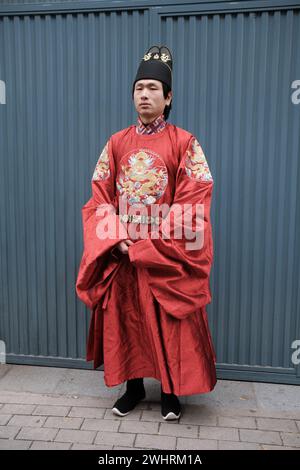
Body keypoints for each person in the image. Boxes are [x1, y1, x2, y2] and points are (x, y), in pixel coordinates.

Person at [76, 45, 217, 421]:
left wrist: (153, 244)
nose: (144, 94)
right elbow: (99, 196)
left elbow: (193, 201)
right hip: (123, 252)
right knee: (128, 320)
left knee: (168, 321)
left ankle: (171, 393)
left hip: (163, 254)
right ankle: (133, 388)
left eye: (154, 87)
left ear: (168, 97)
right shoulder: (116, 142)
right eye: (139, 87)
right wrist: (115, 238)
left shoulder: (185, 143)